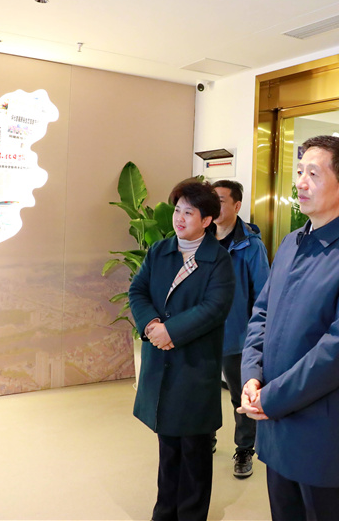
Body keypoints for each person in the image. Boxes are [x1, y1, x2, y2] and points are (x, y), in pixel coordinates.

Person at [239, 135, 339, 521]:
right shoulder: (291, 242)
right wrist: (252, 375)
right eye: (299, 172)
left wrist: (271, 398)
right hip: (276, 420)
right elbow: (261, 314)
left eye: (313, 174)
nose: (301, 183)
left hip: (323, 429)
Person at [128, 179, 235, 521]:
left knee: (194, 449)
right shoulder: (160, 251)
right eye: (177, 210)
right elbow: (137, 291)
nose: (179, 218)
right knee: (168, 445)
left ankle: (190, 514)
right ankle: (164, 513)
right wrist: (150, 326)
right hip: (162, 363)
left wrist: (170, 331)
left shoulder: (218, 260)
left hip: (194, 365)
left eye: (189, 212)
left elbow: (215, 307)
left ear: (207, 220)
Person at [211, 179, 270, 479]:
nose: (214, 205)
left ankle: (245, 448)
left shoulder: (251, 246)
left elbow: (263, 296)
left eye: (221, 200)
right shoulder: (201, 238)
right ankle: (206, 438)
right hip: (203, 335)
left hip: (237, 337)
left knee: (240, 397)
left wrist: (256, 339)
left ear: (236, 206)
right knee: (204, 393)